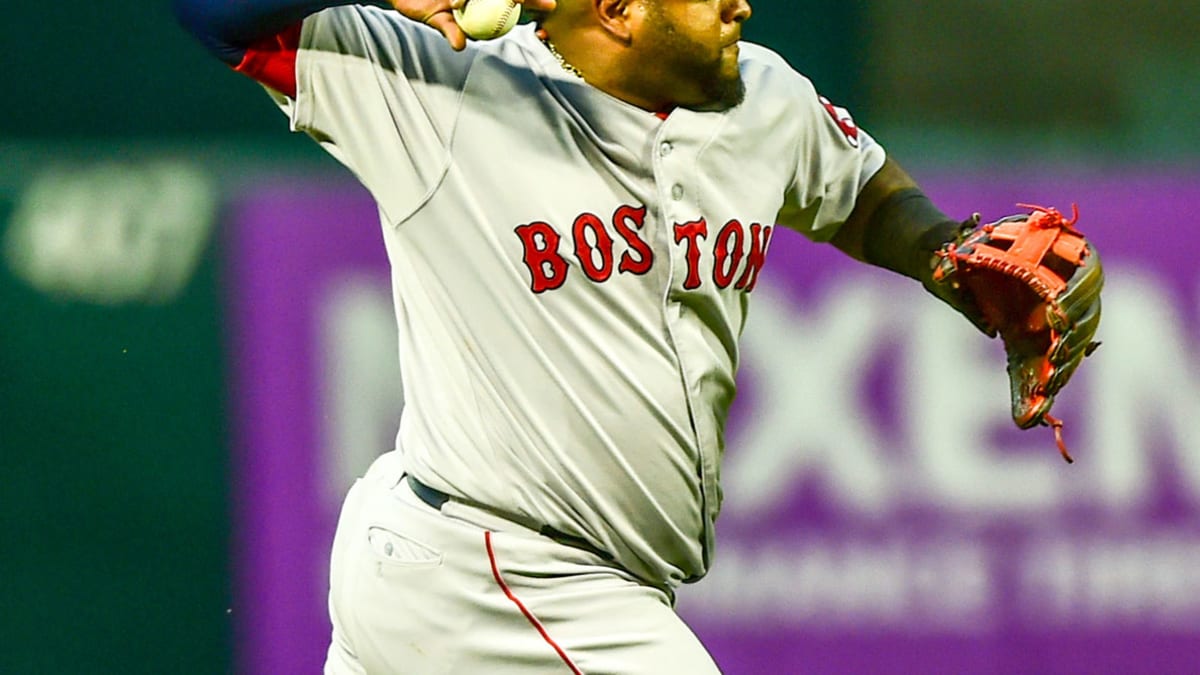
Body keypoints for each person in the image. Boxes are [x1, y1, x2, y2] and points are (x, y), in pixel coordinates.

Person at [174, 0, 1099, 672]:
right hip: (496, 569)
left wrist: (940, 250)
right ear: (617, 11)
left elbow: (854, 189)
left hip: (496, 579)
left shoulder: (762, 95)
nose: (740, 4)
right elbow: (211, 13)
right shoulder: (435, 83)